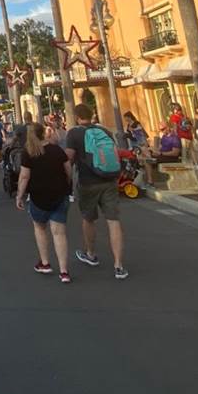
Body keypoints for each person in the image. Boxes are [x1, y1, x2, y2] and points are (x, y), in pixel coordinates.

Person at [65, 104, 127, 280]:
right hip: (109, 180)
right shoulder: (104, 131)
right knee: (113, 221)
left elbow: (68, 158)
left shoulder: (74, 133)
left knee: (89, 219)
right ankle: (118, 265)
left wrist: (66, 180)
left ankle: (91, 254)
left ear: (77, 117)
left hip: (88, 182)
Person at [16, 122, 72, 282]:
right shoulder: (57, 150)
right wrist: (67, 184)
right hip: (59, 195)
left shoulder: (28, 153)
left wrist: (19, 195)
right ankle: (64, 271)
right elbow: (68, 170)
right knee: (59, 233)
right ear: (44, 133)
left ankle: (45, 263)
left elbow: (24, 177)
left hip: (38, 197)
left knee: (40, 228)